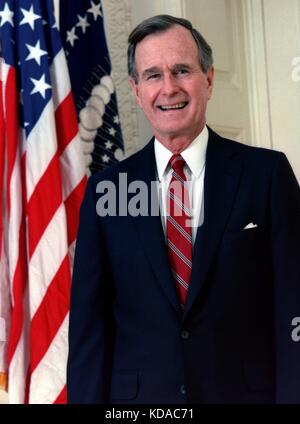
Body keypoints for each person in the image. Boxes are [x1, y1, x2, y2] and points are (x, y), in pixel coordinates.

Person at [67, 15, 300, 404]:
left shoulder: (267, 175)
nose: (169, 87)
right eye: (153, 75)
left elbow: (294, 307)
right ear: (137, 90)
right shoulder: (106, 190)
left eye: (182, 70)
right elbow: (90, 332)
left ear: (208, 80)